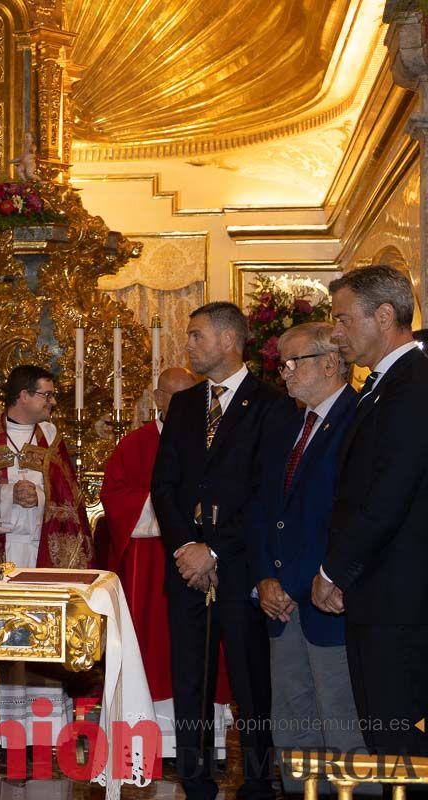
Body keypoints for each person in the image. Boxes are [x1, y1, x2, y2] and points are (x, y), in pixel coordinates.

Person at [152, 301, 289, 800]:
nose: (188, 345)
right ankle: (195, 782)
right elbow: (162, 486)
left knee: (252, 683)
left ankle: (257, 782)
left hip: (239, 567)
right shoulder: (186, 404)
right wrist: (188, 546)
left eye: (196, 335)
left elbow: (265, 492)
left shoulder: (271, 404)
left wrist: (214, 550)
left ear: (229, 340)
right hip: (186, 569)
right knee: (191, 681)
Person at [312, 265, 428, 760]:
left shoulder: (414, 384)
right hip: (379, 594)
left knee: (402, 746)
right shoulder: (386, 384)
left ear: (383, 316)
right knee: (383, 744)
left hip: (400, 601)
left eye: (342, 319)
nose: (335, 333)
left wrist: (333, 569)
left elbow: (387, 495)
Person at [246, 322, 364, 793]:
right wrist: (263, 580)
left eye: (295, 362)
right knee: (293, 727)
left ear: (332, 363)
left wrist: (294, 582)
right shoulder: (290, 424)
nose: (285, 373)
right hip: (280, 603)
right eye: (281, 364)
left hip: (325, 601)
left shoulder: (358, 420)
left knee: (343, 728)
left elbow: (348, 516)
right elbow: (262, 508)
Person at [101, 367, 196, 712]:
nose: (187, 405)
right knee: (152, 640)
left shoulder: (209, 441)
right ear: (158, 400)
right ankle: (146, 720)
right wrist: (168, 510)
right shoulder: (135, 444)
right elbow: (114, 497)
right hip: (150, 561)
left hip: (197, 563)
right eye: (176, 397)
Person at [0, 364, 92, 569]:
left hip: (43, 548)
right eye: (47, 395)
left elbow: (68, 497)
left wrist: (38, 496)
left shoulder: (50, 437)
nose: (53, 402)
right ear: (24, 396)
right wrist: (9, 494)